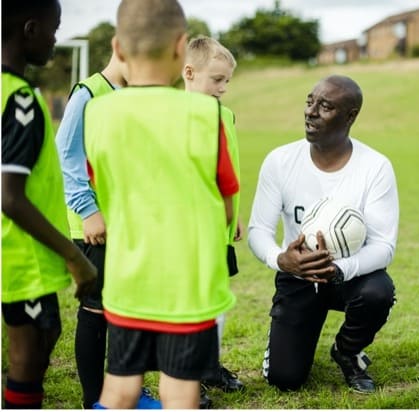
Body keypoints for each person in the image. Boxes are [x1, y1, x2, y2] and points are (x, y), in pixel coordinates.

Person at [84, 0, 238, 408]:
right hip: (189, 284)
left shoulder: (97, 114)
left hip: (127, 279)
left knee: (118, 388)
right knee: (178, 390)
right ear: (180, 46)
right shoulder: (207, 114)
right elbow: (226, 204)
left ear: (117, 48)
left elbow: (102, 186)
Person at [247, 75, 398, 394]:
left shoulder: (375, 167)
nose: (311, 112)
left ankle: (347, 351)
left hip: (349, 275)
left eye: (325, 106)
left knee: (378, 292)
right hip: (297, 275)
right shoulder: (280, 161)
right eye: (309, 101)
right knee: (284, 379)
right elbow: (258, 230)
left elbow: (384, 246)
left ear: (350, 115)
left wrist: (339, 269)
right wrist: (282, 259)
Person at [1, 0, 97, 408]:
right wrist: (74, 256)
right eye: (53, 29)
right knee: (31, 350)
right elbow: (10, 197)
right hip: (22, 258)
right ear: (29, 29)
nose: (56, 40)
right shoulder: (19, 101)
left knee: (44, 334)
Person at [55, 50, 161, 409]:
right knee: (96, 311)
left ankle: (126, 392)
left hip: (129, 225)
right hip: (95, 228)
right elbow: (66, 155)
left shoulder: (133, 94)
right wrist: (89, 212)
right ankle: (94, 399)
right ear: (122, 48)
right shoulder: (88, 92)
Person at [182, 35, 244, 408]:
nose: (222, 89)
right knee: (193, 307)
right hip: (190, 234)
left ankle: (209, 366)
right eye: (216, 80)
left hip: (219, 230)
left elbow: (230, 168)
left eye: (226, 82)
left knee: (217, 305)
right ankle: (188, 378)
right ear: (189, 72)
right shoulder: (176, 117)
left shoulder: (225, 115)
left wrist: (233, 215)